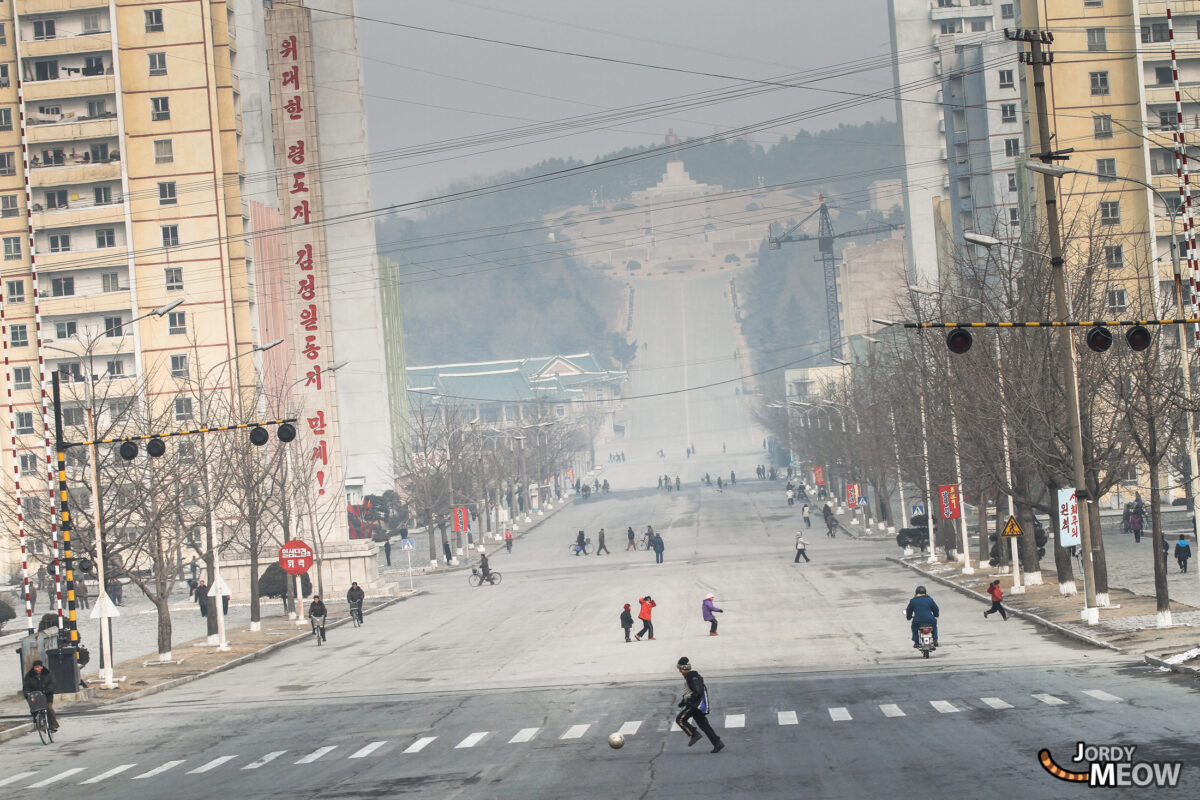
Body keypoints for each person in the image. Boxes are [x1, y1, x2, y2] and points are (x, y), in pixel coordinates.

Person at [675, 657, 723, 753]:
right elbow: (691, 692)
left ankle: (694, 734)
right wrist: (684, 701)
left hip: (696, 705)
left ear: (684, 668)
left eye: (680, 669)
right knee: (704, 725)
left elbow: (698, 691)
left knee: (680, 719)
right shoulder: (691, 676)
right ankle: (717, 743)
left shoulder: (692, 676)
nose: (680, 671)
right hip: (696, 704)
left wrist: (689, 701)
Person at [23, 660, 58, 733]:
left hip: (46, 695)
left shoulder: (47, 673)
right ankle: (38, 723)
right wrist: (27, 694)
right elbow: (26, 687)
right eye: (35, 667)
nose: (37, 669)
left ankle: (53, 725)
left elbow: (52, 683)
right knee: (34, 708)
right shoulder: (29, 676)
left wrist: (48, 690)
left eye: (38, 667)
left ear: (41, 667)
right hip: (35, 696)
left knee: (49, 708)